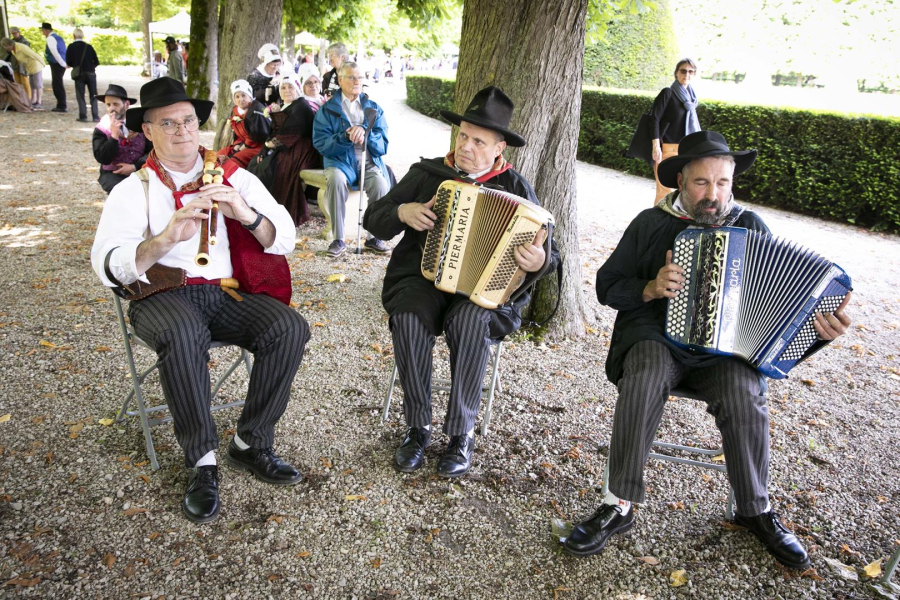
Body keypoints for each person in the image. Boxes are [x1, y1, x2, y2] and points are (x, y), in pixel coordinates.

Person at [562, 130, 852, 570]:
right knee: (643, 376)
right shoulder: (650, 222)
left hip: (724, 352)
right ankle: (617, 504)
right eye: (702, 183)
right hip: (656, 338)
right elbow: (606, 286)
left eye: (723, 183)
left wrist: (818, 334)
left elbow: (779, 315)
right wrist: (648, 287)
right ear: (681, 181)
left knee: (745, 392)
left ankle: (754, 509)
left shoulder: (750, 226)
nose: (713, 194)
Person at [90, 77, 310, 523]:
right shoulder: (134, 190)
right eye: (167, 124)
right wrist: (163, 238)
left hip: (223, 292)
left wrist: (244, 213)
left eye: (188, 121)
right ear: (147, 131)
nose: (182, 132)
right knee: (183, 331)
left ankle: (251, 443)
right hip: (161, 295)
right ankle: (202, 462)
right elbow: (107, 265)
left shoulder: (233, 176)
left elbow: (283, 237)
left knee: (290, 327)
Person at [363, 86, 561, 478]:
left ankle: (461, 433)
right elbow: (374, 218)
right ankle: (417, 427)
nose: (467, 146)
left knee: (470, 320)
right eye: (463, 136)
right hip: (422, 280)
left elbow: (551, 255)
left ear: (499, 147)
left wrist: (538, 260)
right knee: (407, 317)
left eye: (479, 141)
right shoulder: (428, 174)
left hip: (484, 290)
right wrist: (403, 211)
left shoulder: (516, 188)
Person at [313, 61, 390, 257]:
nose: (357, 81)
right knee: (337, 180)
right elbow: (321, 143)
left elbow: (383, 145)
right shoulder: (328, 109)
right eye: (351, 77)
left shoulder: (374, 108)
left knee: (381, 183)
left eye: (360, 77)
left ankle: (373, 237)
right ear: (340, 80)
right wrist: (345, 137)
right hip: (339, 161)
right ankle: (338, 239)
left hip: (368, 161)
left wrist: (366, 133)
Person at [257, 67, 323, 225]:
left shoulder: (301, 106)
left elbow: (291, 133)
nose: (287, 90)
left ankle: (280, 211)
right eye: (283, 87)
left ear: (297, 88)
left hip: (303, 149)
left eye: (290, 87)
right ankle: (263, 206)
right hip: (290, 145)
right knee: (259, 163)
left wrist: (268, 147)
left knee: (276, 167)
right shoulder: (289, 105)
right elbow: (277, 132)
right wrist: (264, 149)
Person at [649, 58, 701, 205]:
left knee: (684, 190)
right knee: (665, 190)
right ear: (676, 73)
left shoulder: (691, 98)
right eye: (683, 70)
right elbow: (655, 119)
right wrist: (655, 146)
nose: (687, 74)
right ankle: (658, 223)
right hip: (667, 149)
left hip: (687, 151)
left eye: (691, 71)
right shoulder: (668, 93)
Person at [92, 84, 152, 193]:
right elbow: (102, 158)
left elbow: (152, 150)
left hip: (141, 169)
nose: (112, 108)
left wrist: (135, 166)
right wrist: (114, 136)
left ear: (126, 104)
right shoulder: (102, 128)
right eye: (108, 105)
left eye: (115, 104)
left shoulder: (139, 125)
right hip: (113, 174)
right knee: (122, 192)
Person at [217, 79, 269, 168]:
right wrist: (237, 145)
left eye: (243, 95)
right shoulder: (235, 111)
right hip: (243, 144)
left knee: (233, 161)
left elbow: (258, 136)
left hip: (257, 146)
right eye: (237, 97)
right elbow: (238, 134)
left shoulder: (256, 110)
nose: (241, 99)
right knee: (220, 154)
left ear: (249, 96)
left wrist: (243, 147)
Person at [66, 28, 100, 123]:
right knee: (93, 95)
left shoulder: (71, 47)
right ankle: (95, 116)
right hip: (91, 73)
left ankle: (83, 115)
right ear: (83, 36)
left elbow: (69, 62)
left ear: (74, 36)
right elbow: (96, 61)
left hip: (79, 74)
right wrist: (91, 67)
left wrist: (76, 65)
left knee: (80, 95)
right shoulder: (88, 47)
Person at [0, 36, 44, 108]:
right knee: (32, 84)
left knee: (38, 84)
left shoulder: (21, 47)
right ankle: (33, 101)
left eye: (5, 47)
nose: (5, 48)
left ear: (9, 45)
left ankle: (39, 102)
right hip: (29, 67)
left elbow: (33, 54)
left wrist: (42, 63)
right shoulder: (14, 50)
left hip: (35, 66)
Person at [40, 22, 67, 112]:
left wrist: (62, 64)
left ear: (46, 30)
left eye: (43, 30)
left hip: (56, 64)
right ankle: (61, 104)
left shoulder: (50, 38)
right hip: (60, 63)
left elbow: (55, 53)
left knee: (57, 84)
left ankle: (61, 105)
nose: (42, 32)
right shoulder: (58, 38)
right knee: (58, 83)